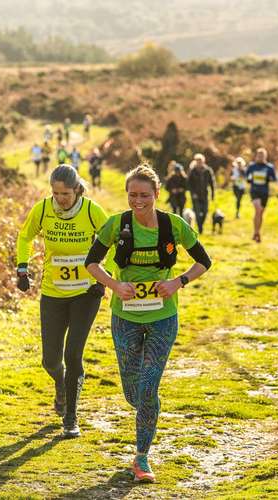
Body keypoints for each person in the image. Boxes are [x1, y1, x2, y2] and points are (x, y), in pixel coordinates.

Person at [85, 164, 212, 483]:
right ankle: (145, 404)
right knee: (133, 389)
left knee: (149, 385)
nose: (138, 200)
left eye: (144, 195)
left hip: (162, 317)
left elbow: (203, 261)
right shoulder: (116, 224)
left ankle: (141, 457)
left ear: (157, 194)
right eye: (132, 195)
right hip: (125, 315)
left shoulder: (174, 225)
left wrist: (177, 282)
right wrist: (115, 285)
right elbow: (91, 262)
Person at [16, 165, 109, 438]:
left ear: (77, 189)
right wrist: (22, 268)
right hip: (53, 293)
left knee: (73, 355)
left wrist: (104, 278)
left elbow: (112, 241)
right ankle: (61, 383)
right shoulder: (43, 209)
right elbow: (25, 236)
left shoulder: (92, 211)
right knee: (51, 360)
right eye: (56, 193)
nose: (61, 199)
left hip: (85, 293)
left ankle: (71, 418)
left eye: (66, 194)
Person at [245, 148, 277, 242]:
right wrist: (249, 179)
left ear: (265, 157)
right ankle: (256, 233)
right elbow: (247, 175)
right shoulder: (252, 166)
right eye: (259, 156)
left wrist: (268, 178)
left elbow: (274, 178)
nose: (260, 157)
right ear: (256, 156)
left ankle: (256, 232)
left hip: (264, 192)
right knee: (258, 210)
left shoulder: (269, 167)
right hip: (254, 191)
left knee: (260, 213)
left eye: (262, 156)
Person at [186, 154, 216, 234]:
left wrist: (213, 194)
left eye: (200, 161)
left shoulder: (208, 170)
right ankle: (200, 228)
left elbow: (212, 183)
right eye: (197, 161)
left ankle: (200, 225)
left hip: (205, 195)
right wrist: (192, 193)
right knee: (197, 212)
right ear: (195, 162)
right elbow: (189, 184)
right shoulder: (192, 171)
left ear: (203, 161)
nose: (199, 163)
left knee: (205, 212)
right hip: (195, 196)